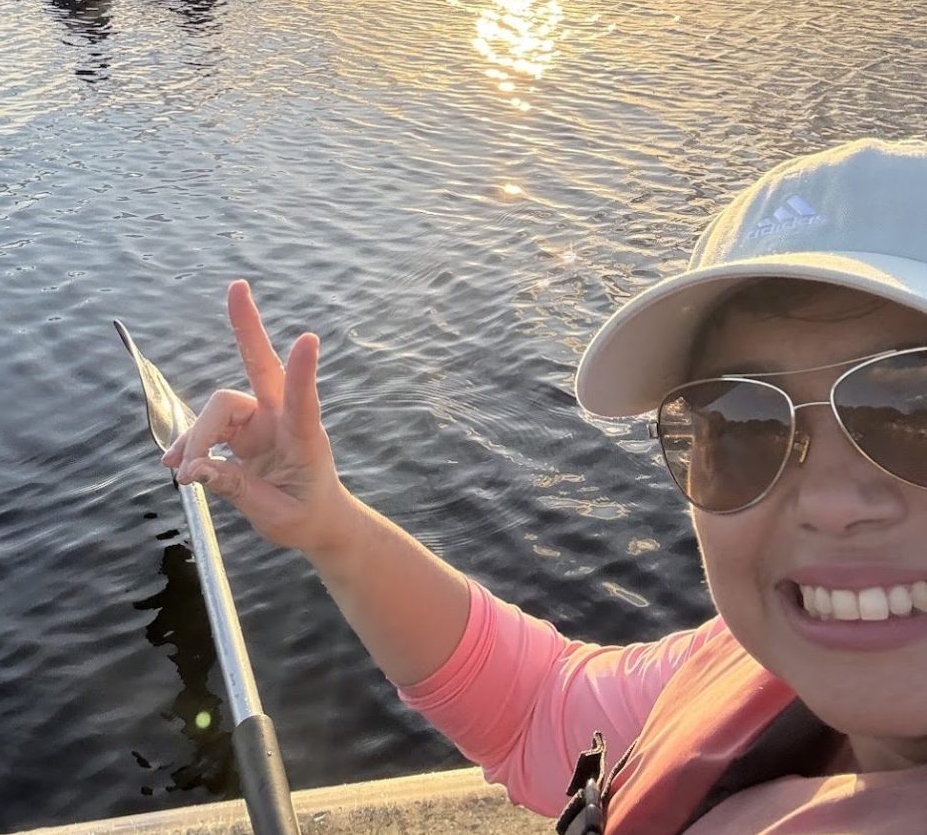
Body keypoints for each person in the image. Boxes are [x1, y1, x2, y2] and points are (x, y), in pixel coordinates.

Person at [162, 137, 927, 832]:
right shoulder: (747, 668)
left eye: (914, 413)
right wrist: (333, 527)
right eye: (744, 425)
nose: (829, 501)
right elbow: (537, 709)